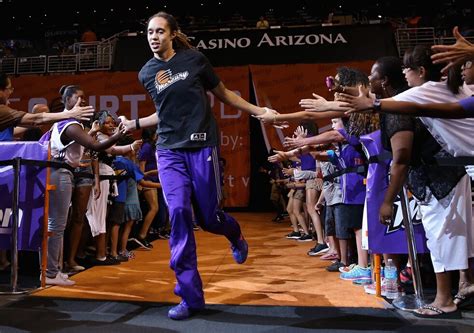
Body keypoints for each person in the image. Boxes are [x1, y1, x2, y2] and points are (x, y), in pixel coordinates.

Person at [118, 11, 278, 320]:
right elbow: (162, 113)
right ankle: (190, 297)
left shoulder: (195, 60)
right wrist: (135, 122)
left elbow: (224, 93)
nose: (154, 37)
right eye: (150, 32)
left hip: (202, 145)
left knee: (210, 218)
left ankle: (235, 235)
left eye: (160, 31)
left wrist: (258, 111)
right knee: (178, 214)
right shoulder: (147, 72)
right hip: (169, 151)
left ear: (173, 34)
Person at [43, 84, 126, 286]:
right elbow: (95, 146)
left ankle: (55, 269)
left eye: (85, 98)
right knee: (57, 225)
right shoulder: (70, 125)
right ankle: (50, 272)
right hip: (60, 172)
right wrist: (117, 135)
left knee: (59, 225)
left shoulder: (64, 124)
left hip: (62, 172)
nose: (83, 102)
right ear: (67, 100)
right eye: (79, 98)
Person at [0, 73, 94, 132]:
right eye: (9, 88)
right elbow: (36, 119)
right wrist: (70, 114)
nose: (11, 92)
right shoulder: (2, 111)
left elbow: (34, 121)